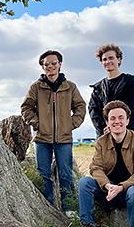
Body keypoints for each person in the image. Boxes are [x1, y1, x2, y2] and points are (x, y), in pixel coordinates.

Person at [20, 49, 86, 211]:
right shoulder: (36, 87)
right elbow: (26, 108)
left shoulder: (70, 87)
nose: (50, 66)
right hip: (42, 139)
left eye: (53, 63)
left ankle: (68, 209)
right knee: (43, 175)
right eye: (46, 64)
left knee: (65, 174)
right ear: (42, 67)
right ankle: (48, 208)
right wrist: (37, 123)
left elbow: (80, 107)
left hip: (64, 139)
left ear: (60, 64)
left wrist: (71, 124)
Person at [88, 44, 134, 136]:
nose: (108, 61)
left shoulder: (130, 82)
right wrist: (104, 126)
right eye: (104, 59)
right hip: (106, 135)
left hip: (129, 134)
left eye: (111, 58)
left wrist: (119, 125)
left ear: (119, 59)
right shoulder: (98, 88)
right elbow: (93, 110)